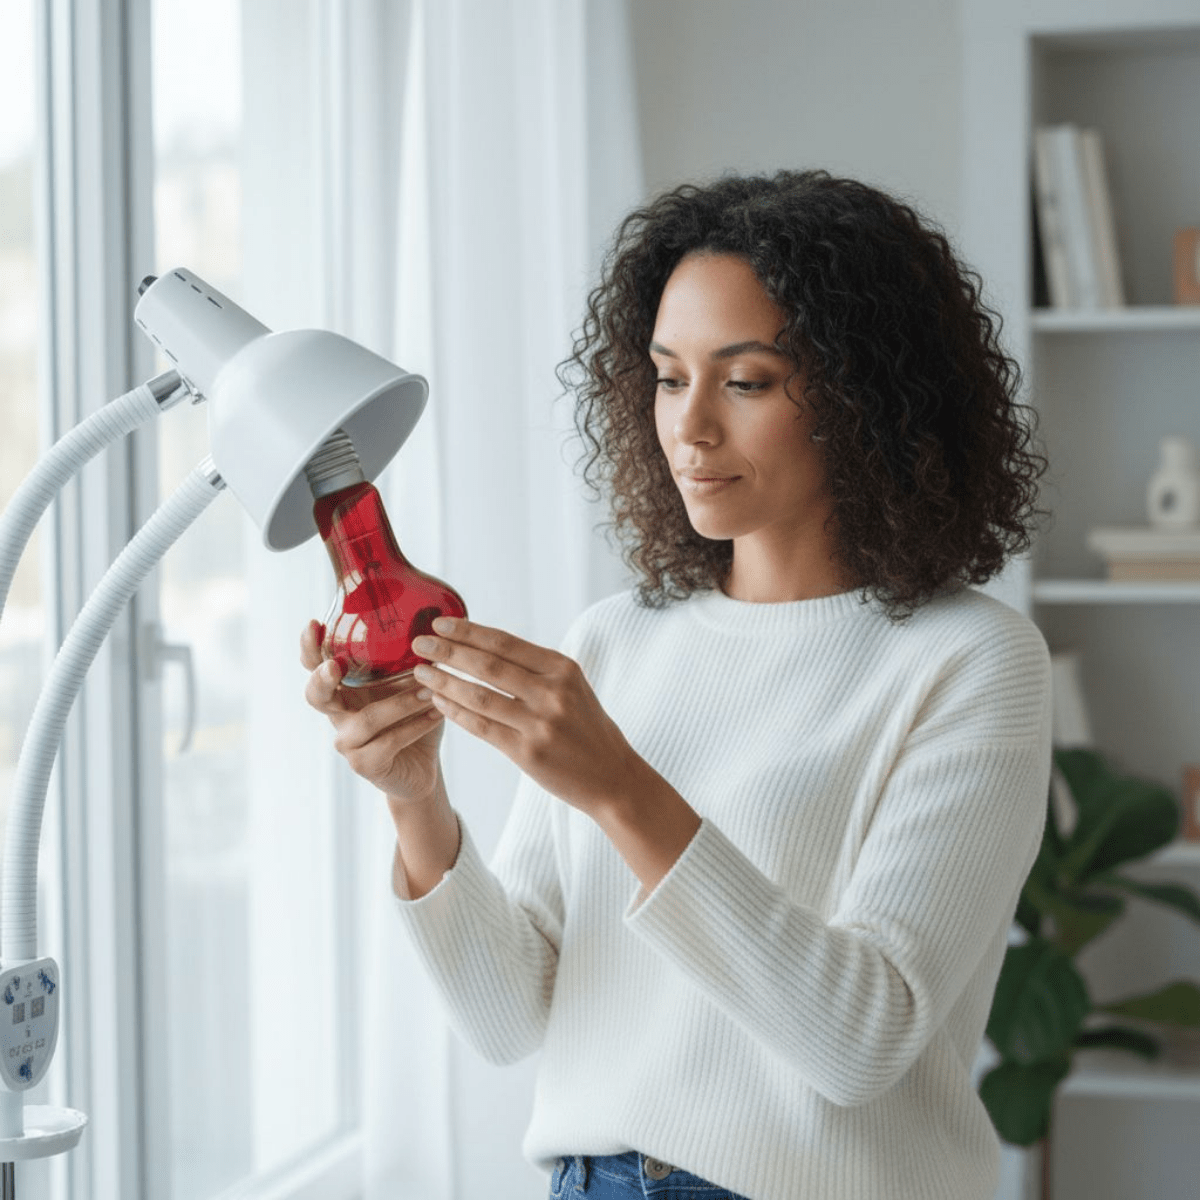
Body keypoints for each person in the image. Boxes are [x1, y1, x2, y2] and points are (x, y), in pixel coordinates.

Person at [301, 169, 1053, 1200]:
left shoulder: (970, 660)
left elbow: (862, 1040)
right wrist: (415, 799)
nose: (689, 427)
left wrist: (621, 788)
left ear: (868, 398)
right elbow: (508, 1017)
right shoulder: (615, 640)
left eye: (747, 382)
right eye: (666, 377)